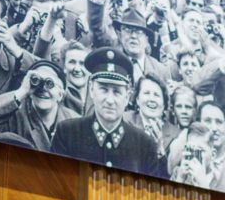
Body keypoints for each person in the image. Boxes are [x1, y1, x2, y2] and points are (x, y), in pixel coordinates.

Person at [51, 47, 168, 176]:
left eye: (117, 91)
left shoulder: (144, 144)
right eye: (104, 89)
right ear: (91, 89)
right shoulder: (67, 133)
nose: (110, 100)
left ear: (127, 96)